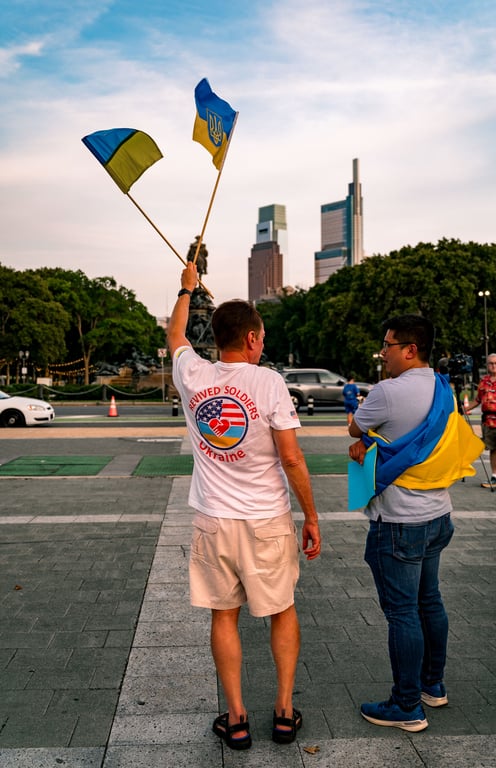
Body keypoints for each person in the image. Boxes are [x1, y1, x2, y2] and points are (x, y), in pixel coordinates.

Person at [167, 262, 321, 751]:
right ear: (252, 338)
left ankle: (235, 718)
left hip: (214, 520)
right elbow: (292, 459)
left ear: (216, 340)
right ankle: (281, 710)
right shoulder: (269, 383)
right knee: (282, 610)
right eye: (262, 337)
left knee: (224, 615)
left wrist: (185, 288)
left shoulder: (194, 374)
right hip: (266, 520)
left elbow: (174, 334)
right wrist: (312, 517)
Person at [348, 314, 482, 733]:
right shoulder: (443, 388)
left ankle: (406, 706)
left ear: (410, 349)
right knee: (430, 601)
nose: (382, 352)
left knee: (403, 612)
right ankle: (432, 686)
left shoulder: (387, 392)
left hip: (399, 521)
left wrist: (364, 440)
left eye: (387, 344)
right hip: (438, 516)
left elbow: (355, 427)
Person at [464, 353, 496, 491]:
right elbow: (478, 400)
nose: (493, 366)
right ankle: (495, 476)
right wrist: (465, 409)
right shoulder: (484, 381)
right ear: (487, 365)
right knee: (492, 448)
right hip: (488, 420)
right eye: (491, 363)